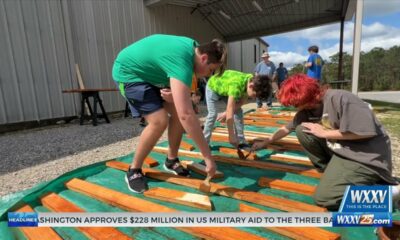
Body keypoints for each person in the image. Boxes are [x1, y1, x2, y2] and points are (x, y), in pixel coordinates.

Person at [251, 74, 398, 210]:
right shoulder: (307, 111)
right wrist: (265, 142)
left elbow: (365, 131)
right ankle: (331, 173)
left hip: (366, 158)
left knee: (325, 198)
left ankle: (390, 194)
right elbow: (286, 128)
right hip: (342, 152)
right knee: (303, 129)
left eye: (295, 104)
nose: (294, 107)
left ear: (304, 98)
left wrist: (324, 133)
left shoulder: (341, 98)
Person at [112, 34, 226, 193]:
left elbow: (184, 111)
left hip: (152, 74)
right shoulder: (182, 62)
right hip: (129, 73)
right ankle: (134, 171)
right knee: (159, 121)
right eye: (211, 69)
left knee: (179, 113)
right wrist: (208, 158)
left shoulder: (193, 50)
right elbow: (186, 114)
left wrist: (177, 99)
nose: (208, 75)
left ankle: (171, 160)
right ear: (204, 58)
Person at [203, 70, 272, 148]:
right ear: (251, 86)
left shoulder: (250, 80)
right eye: (254, 95)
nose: (254, 98)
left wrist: (225, 113)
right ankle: (204, 143)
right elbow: (230, 110)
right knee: (213, 114)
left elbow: (241, 103)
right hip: (213, 86)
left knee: (238, 111)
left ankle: (240, 140)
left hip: (226, 88)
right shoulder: (236, 86)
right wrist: (231, 136)